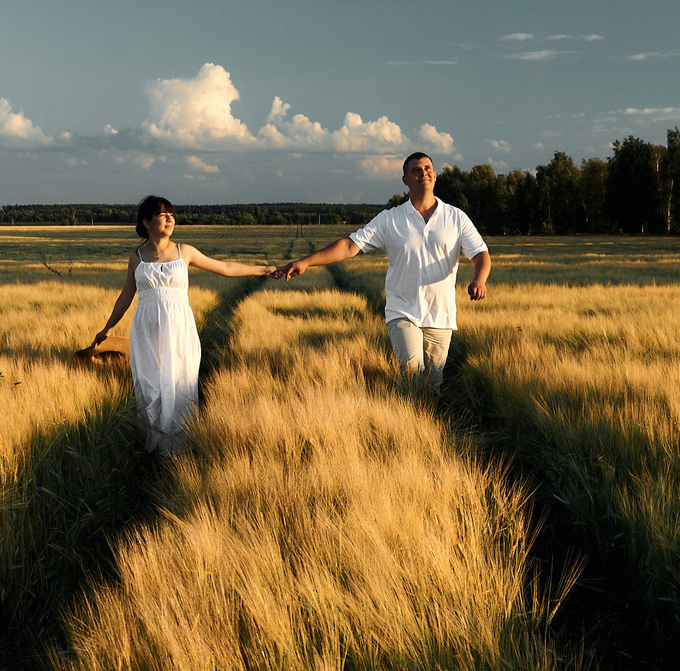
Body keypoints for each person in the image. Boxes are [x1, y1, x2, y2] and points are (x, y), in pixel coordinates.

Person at [272, 152, 491, 388]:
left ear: (435, 175)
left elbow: (480, 253)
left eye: (427, 168)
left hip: (441, 314)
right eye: (416, 170)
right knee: (411, 373)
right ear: (405, 180)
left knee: (433, 382)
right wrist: (306, 261)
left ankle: (424, 421)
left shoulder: (456, 217)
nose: (423, 173)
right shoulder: (390, 219)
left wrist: (479, 280)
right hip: (402, 310)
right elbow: (349, 246)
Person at [87, 194, 272, 455]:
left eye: (172, 214)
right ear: (146, 221)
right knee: (150, 387)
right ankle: (153, 452)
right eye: (163, 214)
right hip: (146, 331)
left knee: (180, 383)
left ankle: (180, 449)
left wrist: (264, 269)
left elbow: (226, 267)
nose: (170, 218)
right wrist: (107, 328)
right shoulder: (137, 257)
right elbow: (125, 296)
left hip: (179, 329)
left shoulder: (185, 251)